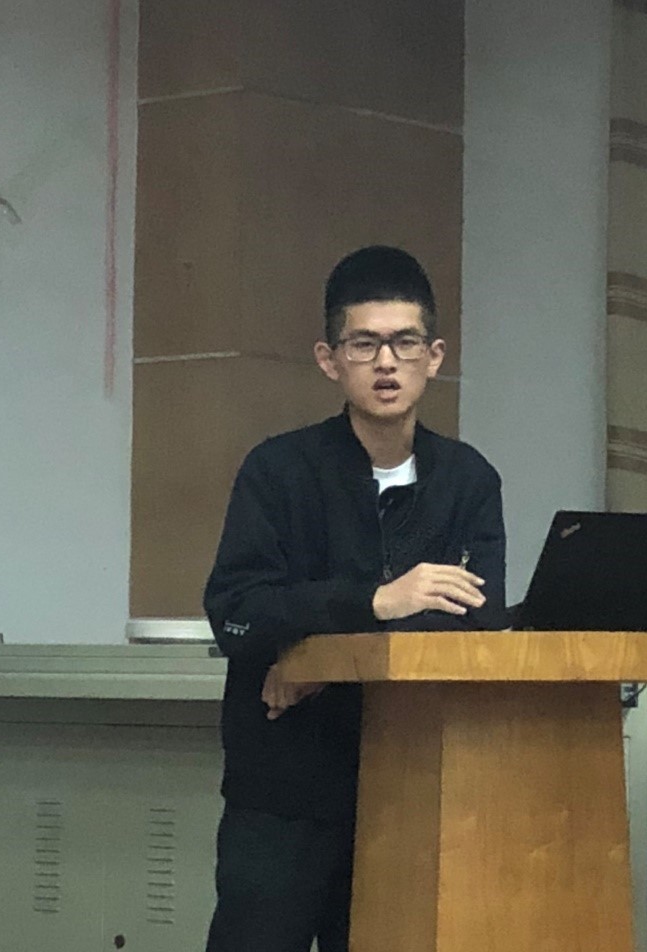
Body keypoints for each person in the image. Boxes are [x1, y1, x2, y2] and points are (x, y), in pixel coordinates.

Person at [203, 245, 507, 952]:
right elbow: (238, 611)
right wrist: (375, 602)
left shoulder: (467, 480)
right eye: (364, 344)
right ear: (329, 359)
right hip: (284, 789)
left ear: (434, 356)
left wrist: (321, 664)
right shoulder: (278, 471)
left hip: (411, 785)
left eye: (405, 343)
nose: (386, 363)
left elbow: (475, 623)